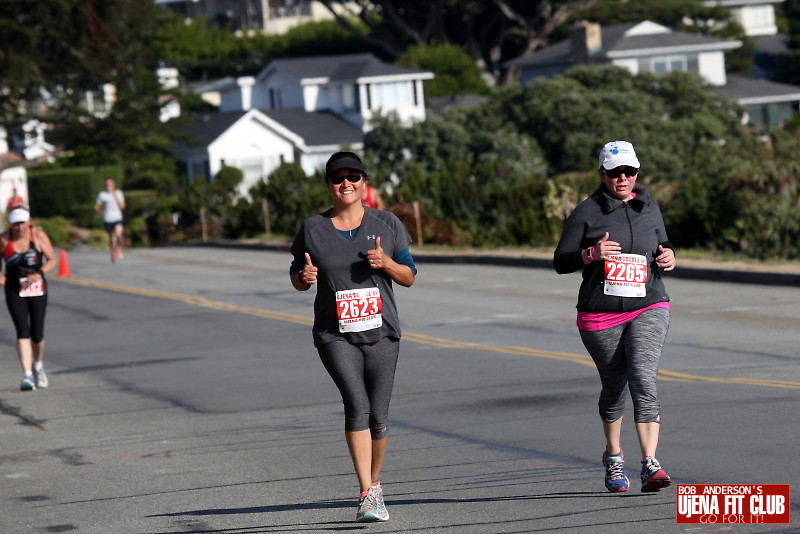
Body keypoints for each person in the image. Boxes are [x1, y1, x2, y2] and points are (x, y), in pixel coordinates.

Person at [289, 151, 416, 523]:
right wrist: (303, 279)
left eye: (353, 176)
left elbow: (409, 276)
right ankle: (365, 492)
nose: (346, 183)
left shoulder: (387, 223)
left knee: (379, 416)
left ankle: (374, 486)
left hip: (382, 331)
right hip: (335, 334)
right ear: (328, 185)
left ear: (364, 182)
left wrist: (387, 263)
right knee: (356, 405)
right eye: (337, 178)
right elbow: (297, 275)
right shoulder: (312, 228)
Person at [553, 140, 676, 493]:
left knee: (643, 378)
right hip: (600, 315)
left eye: (629, 171)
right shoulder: (586, 212)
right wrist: (591, 254)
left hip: (649, 304)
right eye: (614, 172)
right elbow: (561, 261)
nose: (623, 178)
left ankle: (650, 463)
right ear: (602, 174)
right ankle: (613, 456)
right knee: (614, 386)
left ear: (637, 172)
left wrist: (669, 256)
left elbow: (663, 244)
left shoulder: (649, 205)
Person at [0, 207, 57, 391]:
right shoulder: (3, 240)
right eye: (16, 224)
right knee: (22, 331)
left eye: (23, 223)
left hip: (37, 288)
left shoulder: (38, 236)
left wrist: (39, 274)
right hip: (14, 289)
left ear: (29, 222)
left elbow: (52, 259)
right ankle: (27, 375)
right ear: (11, 225)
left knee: (37, 333)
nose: (20, 228)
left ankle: (38, 366)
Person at [95, 178, 126, 263]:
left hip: (117, 218)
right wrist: (100, 211)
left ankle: (119, 249)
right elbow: (96, 206)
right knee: (111, 238)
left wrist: (116, 196)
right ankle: (113, 252)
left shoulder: (118, 193)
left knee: (118, 235)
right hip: (108, 219)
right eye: (107, 184)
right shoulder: (102, 194)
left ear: (113, 185)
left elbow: (123, 206)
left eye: (110, 184)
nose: (108, 186)